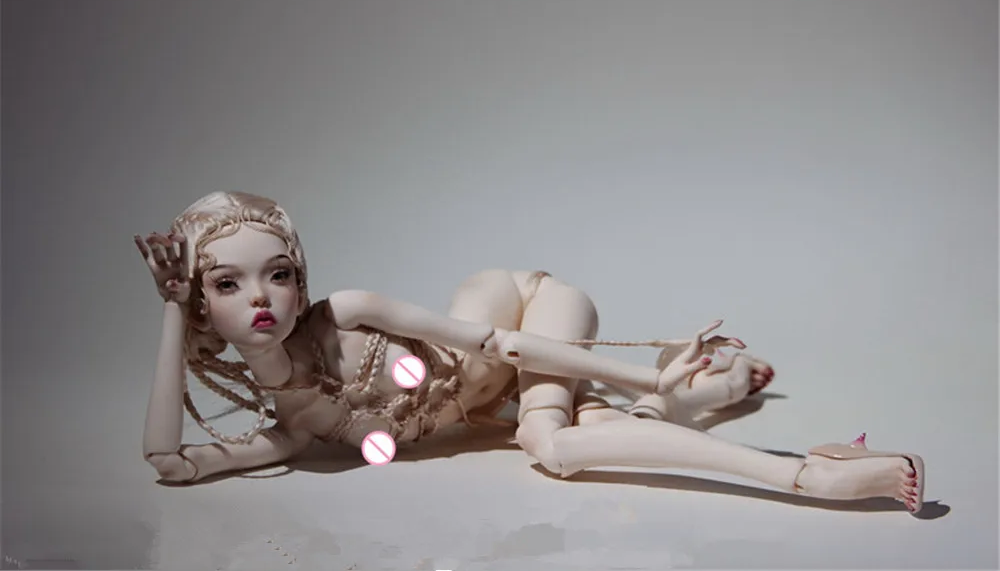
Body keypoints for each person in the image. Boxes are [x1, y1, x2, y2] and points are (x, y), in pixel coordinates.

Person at [136, 191, 924, 513]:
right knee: (582, 429)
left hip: (529, 306)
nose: (263, 297)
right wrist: (171, 312)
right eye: (228, 285)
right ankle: (706, 400)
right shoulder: (295, 427)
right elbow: (170, 463)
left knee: (552, 443)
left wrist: (644, 370)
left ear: (300, 275)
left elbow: (500, 340)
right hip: (499, 398)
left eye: (278, 273)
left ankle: (802, 475)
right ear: (204, 305)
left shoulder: (347, 312)